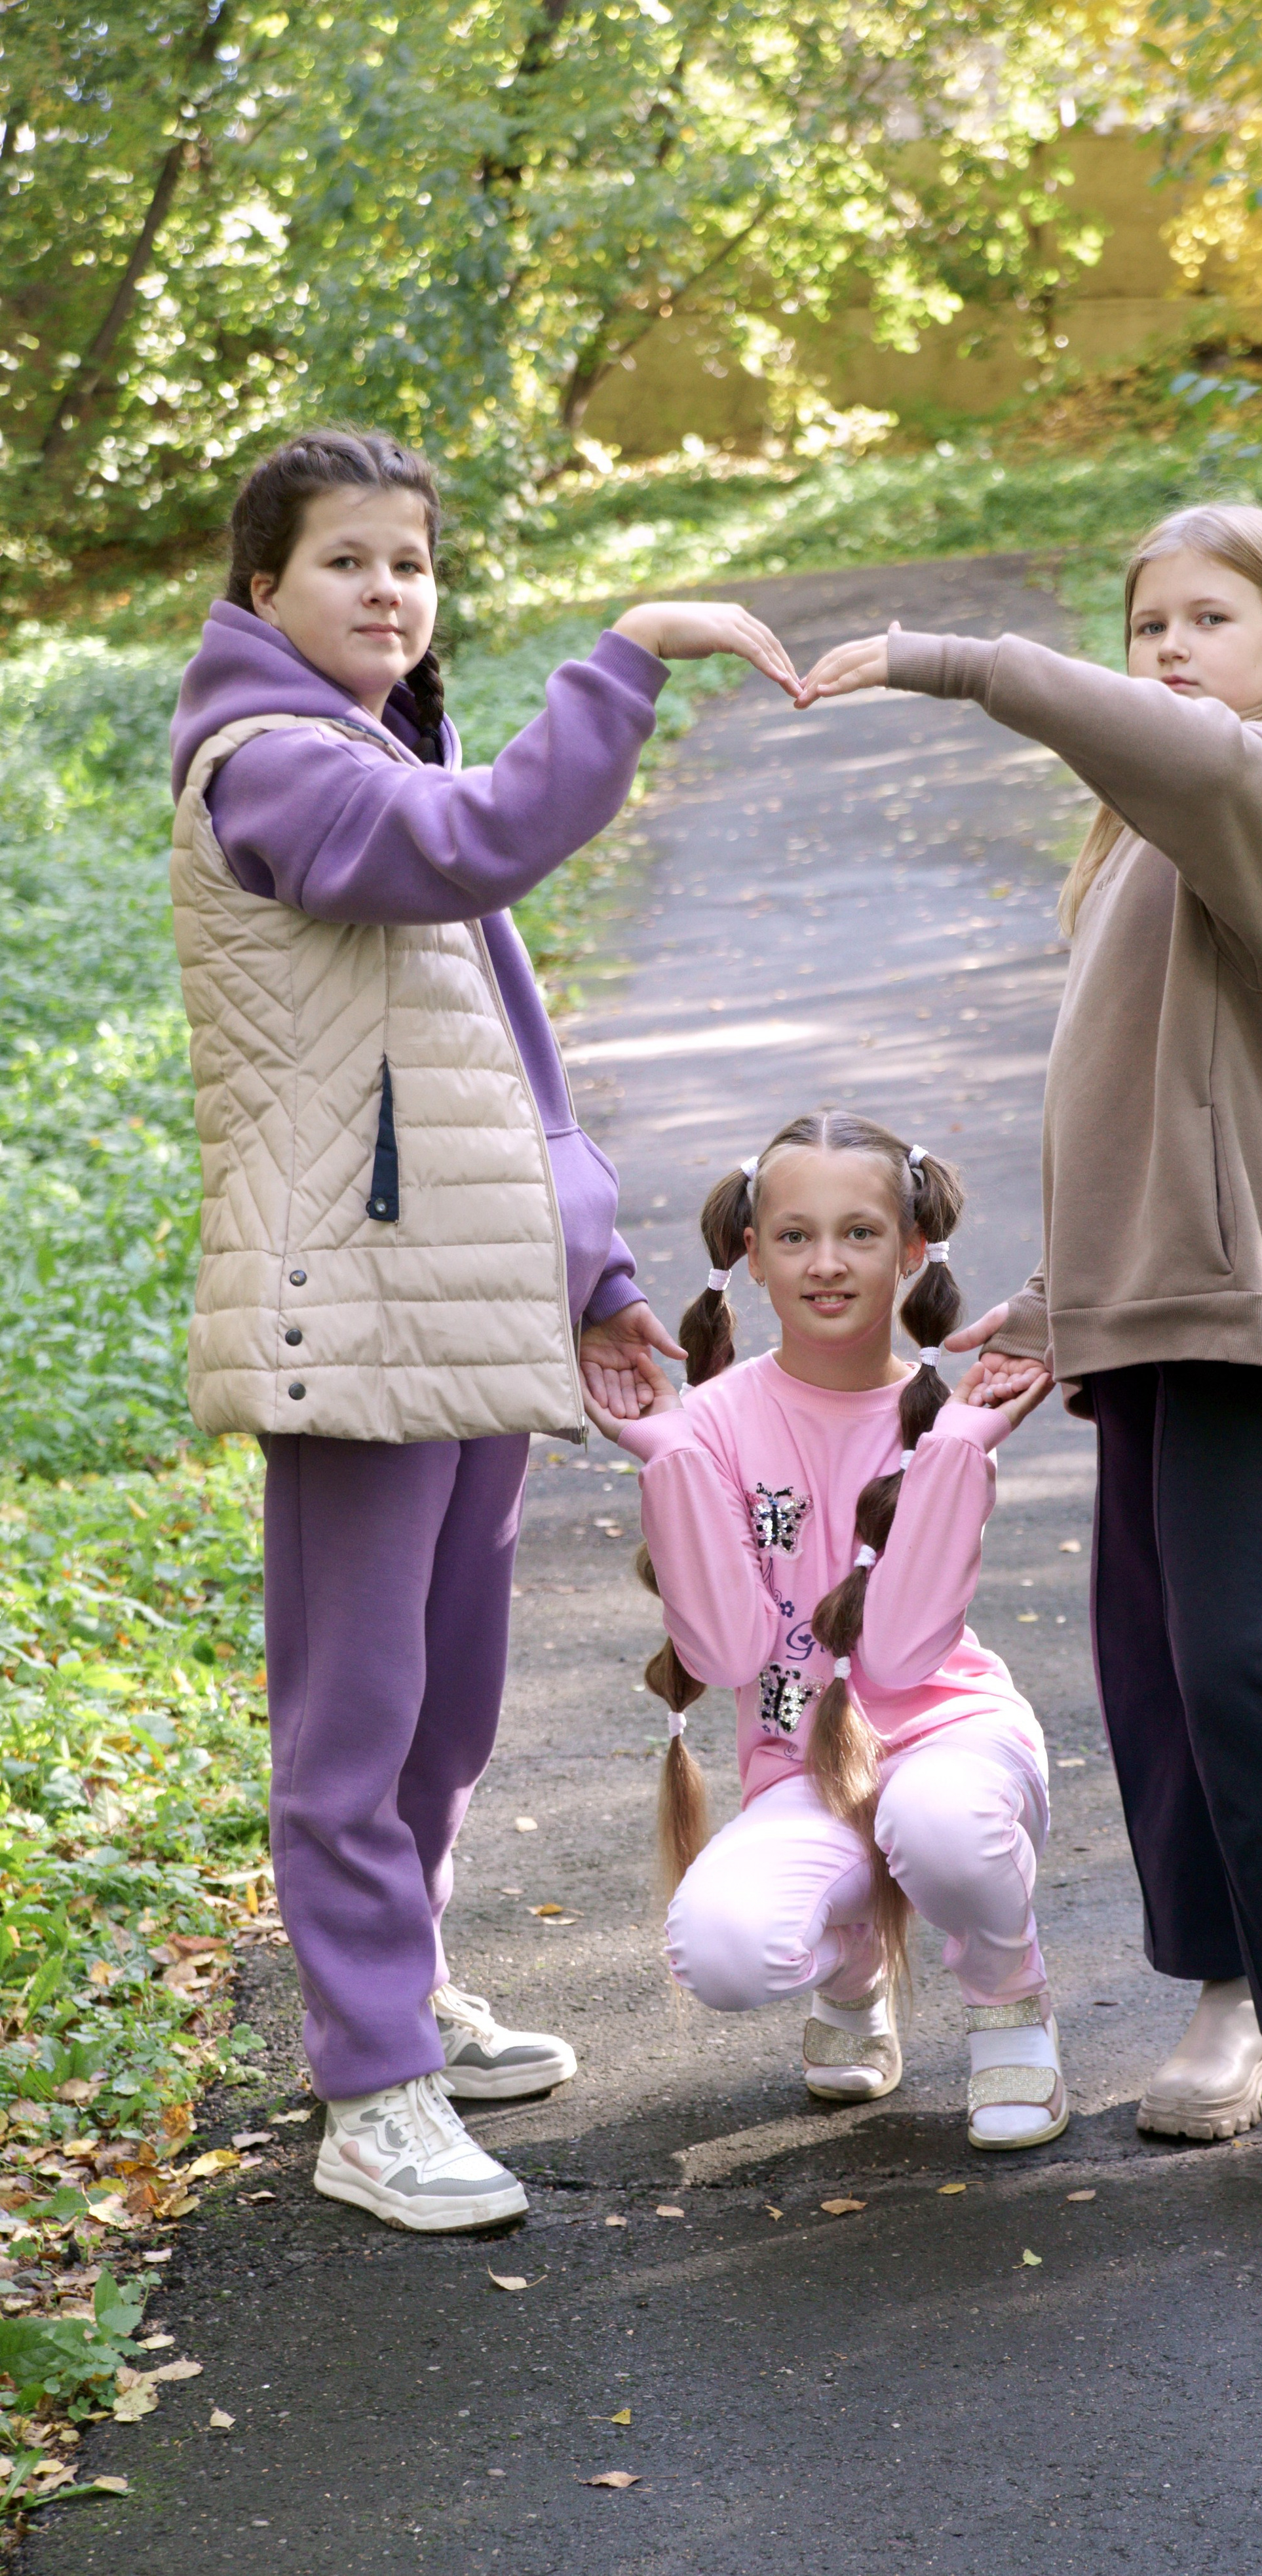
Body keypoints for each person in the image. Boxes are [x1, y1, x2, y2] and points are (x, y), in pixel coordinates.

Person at [796, 503, 1262, 2202]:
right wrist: (1066, 1298)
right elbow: (1180, 1086)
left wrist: (950, 661)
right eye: (1148, 625)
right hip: (1163, 1303)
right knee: (1161, 1665)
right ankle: (1235, 1995)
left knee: (1254, 1663)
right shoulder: (1143, 846)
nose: (1174, 649)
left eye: (1212, 617)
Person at [168, 425, 800, 2231]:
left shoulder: (384, 746)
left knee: (447, 1705)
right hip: (353, 1311)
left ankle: (408, 1991)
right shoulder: (278, 768)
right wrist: (633, 656)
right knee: (355, 1715)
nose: (388, 589)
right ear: (263, 590)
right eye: (348, 560)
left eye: (412, 563)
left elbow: (499, 1068)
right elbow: (479, 841)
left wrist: (592, 1267)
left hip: (469, 1292)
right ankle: (366, 2091)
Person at [584, 1114, 1069, 2152]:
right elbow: (721, 1655)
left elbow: (895, 1659)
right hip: (803, 1767)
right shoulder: (712, 1420)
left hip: (954, 1744)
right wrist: (667, 1456)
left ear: (911, 1250)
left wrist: (960, 1451)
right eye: (795, 1236)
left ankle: (1010, 2002)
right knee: (722, 1950)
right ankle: (852, 1973)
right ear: (749, 1256)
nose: (828, 1263)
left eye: (859, 1233)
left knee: (938, 1820)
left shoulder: (946, 1412)